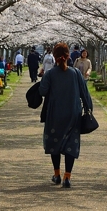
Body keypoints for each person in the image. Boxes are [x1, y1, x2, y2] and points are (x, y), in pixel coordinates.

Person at [39, 42, 93, 189]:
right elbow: (85, 93)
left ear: (54, 57)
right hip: (73, 114)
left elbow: (42, 91)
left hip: (54, 115)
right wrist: (89, 108)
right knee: (71, 144)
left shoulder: (50, 74)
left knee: (54, 143)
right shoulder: (75, 73)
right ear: (68, 56)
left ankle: (56, 174)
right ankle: (67, 177)